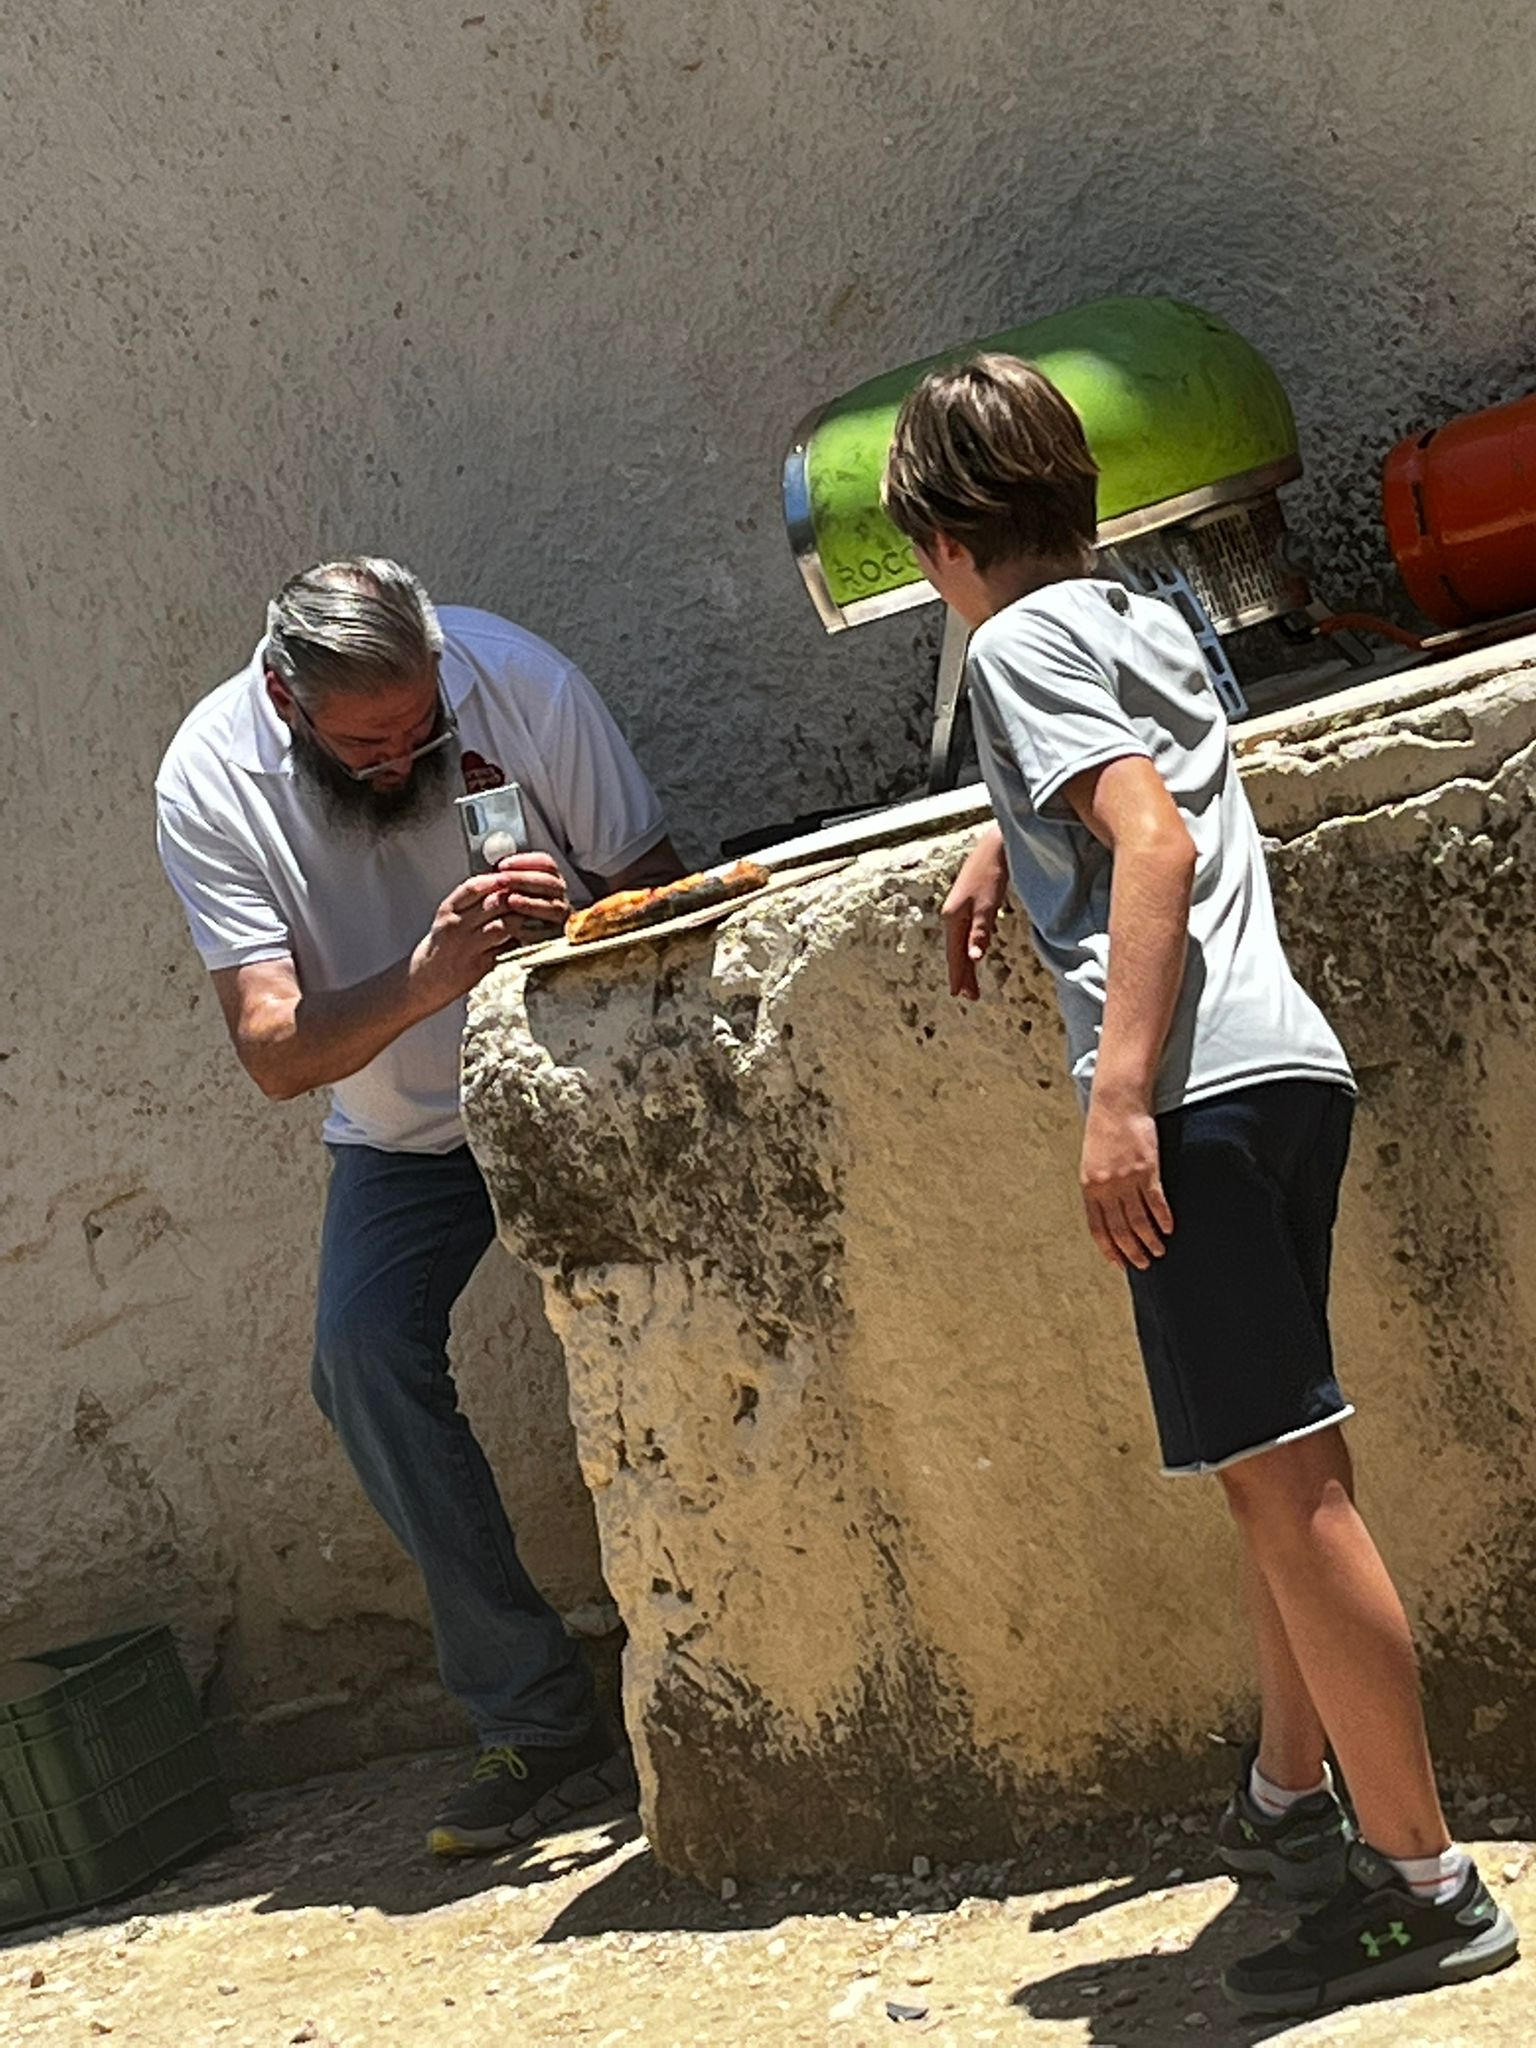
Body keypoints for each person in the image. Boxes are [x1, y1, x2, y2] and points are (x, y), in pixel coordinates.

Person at [881, 358, 1519, 2018]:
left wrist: (1116, 1104)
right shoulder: (1139, 613)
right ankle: (1290, 1798)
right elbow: (1155, 777)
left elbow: (1151, 841)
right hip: (1287, 1072)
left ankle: (1426, 1887)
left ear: (942, 542)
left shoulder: (1007, 646)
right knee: (1278, 1472)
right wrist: (999, 838)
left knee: (1293, 1492)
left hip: (1194, 1096)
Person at [155, 558, 686, 1855]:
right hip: (405, 1133)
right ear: (286, 701)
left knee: (684, 1301)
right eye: (366, 745)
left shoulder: (520, 679)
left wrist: (585, 925)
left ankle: (727, 1638)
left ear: (442, 666)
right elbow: (274, 1052)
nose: (402, 760)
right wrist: (429, 975)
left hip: (578, 1061)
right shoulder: (208, 780)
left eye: (421, 726)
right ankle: (537, 1717)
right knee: (361, 1359)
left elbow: (667, 893)